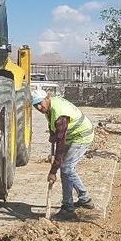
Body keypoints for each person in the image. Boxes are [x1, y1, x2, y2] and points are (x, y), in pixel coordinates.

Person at [31, 89, 95, 221]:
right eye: (35, 105)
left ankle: (68, 208)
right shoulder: (49, 106)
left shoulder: (60, 114)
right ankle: (84, 198)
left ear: (47, 98)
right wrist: (53, 135)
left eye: (39, 103)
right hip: (73, 136)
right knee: (68, 169)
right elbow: (54, 129)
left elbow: (60, 147)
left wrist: (53, 171)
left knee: (65, 168)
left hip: (82, 135)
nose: (38, 107)